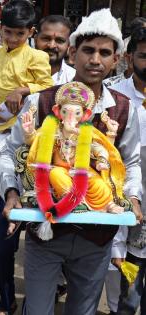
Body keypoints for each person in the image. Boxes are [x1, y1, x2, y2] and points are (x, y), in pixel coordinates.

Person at [0, 8, 142, 315]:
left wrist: (131, 197)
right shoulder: (42, 101)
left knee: (83, 310)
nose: (95, 60)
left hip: (98, 235)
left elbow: (130, 163)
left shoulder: (123, 108)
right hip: (47, 230)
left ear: (117, 60)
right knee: (37, 310)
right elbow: (10, 153)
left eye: (105, 53)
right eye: (88, 51)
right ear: (72, 53)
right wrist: (12, 193)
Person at [0, 0, 53, 195]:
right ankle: (13, 199)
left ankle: (24, 198)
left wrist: (22, 90)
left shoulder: (37, 57)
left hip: (25, 126)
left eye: (20, 33)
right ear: (1, 29)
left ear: (31, 32)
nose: (12, 38)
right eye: (8, 32)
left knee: (22, 164)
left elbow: (48, 86)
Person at [110, 26, 146, 315]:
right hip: (128, 196)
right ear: (130, 57)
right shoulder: (114, 96)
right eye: (145, 56)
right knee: (129, 291)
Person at [34, 15, 75, 85]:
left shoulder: (74, 78)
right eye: (46, 39)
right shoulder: (17, 71)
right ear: (35, 40)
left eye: (59, 41)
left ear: (69, 45)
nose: (51, 46)